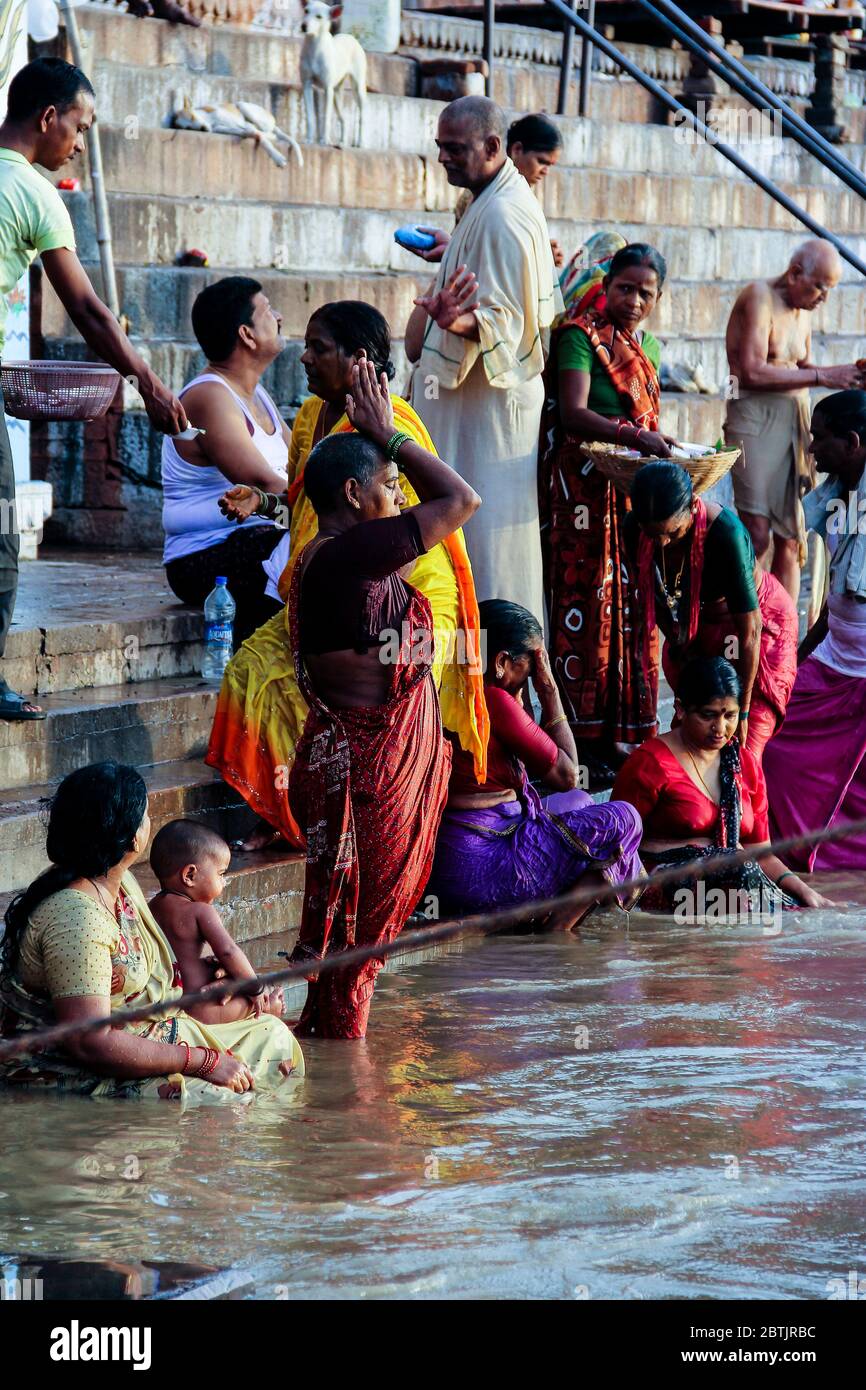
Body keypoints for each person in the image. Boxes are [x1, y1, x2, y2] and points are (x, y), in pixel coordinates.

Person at [206, 301, 488, 851]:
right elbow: (313, 503)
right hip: (334, 583)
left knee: (340, 695)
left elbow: (445, 504)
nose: (305, 357)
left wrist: (383, 435)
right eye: (306, 344)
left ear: (359, 359)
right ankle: (287, 810)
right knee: (249, 671)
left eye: (320, 348)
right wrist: (264, 500)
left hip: (406, 590)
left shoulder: (395, 422)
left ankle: (373, 822)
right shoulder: (311, 416)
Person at [286, 358, 480, 1039]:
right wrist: (389, 435)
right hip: (368, 773)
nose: (400, 499)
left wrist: (388, 445)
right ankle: (352, 1113)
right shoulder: (346, 554)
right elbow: (461, 500)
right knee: (358, 951)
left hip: (359, 763)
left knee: (350, 950)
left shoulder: (337, 557)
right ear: (352, 492)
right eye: (390, 486)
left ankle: (331, 1089)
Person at [0, 57, 187, 721]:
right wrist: (150, 385)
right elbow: (89, 311)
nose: (78, 144)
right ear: (48, 119)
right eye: (77, 127)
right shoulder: (32, 192)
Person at [0, 762, 303, 1100]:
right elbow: (90, 1043)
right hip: (68, 1073)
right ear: (130, 836)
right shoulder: (76, 917)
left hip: (149, 1034)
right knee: (227, 1097)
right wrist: (201, 1060)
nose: (149, 822)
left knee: (272, 1036)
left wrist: (206, 974)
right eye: (144, 816)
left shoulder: (120, 883)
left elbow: (151, 971)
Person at [407, 95, 560, 624]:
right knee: (467, 532)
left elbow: (509, 321)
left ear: (494, 147)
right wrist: (453, 249)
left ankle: (495, 661)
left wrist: (457, 322)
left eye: (455, 149)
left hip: (489, 414)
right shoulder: (490, 201)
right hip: (476, 408)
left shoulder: (502, 214)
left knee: (486, 544)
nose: (445, 158)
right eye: (440, 148)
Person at [539, 243, 675, 785]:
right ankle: (581, 735)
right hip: (583, 492)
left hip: (632, 492)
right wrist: (634, 435)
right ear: (606, 283)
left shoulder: (651, 349)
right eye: (625, 288)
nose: (634, 300)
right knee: (586, 601)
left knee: (634, 605)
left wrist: (648, 447)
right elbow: (572, 413)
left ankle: (625, 733)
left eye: (646, 292)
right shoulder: (578, 334)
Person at [429, 600, 644, 926]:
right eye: (533, 660)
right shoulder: (492, 700)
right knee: (625, 819)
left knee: (581, 802)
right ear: (502, 661)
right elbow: (568, 773)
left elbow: (572, 789)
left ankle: (557, 915)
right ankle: (558, 930)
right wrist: (549, 690)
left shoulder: (449, 687)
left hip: (454, 862)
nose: (536, 670)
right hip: (483, 868)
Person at [612, 657, 830, 913]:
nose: (720, 728)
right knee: (737, 873)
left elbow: (760, 854)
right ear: (681, 710)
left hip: (737, 881)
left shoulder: (743, 764)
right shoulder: (649, 762)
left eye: (730, 716)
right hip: (662, 885)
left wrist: (806, 892)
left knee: (795, 911)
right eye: (708, 715)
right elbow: (617, 843)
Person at [626, 461, 798, 761]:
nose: (661, 544)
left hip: (757, 624)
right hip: (699, 621)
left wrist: (740, 713)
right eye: (652, 535)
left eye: (672, 533)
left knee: (742, 752)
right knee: (690, 741)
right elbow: (656, 597)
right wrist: (683, 646)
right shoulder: (634, 529)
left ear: (693, 506)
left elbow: (750, 633)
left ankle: (748, 803)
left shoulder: (725, 534)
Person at [724, 238, 864, 605]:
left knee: (791, 535)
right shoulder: (758, 296)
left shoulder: (803, 309)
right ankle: (744, 618)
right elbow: (750, 370)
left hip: (793, 420)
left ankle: (783, 634)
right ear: (795, 273)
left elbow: (802, 366)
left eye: (830, 289)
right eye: (820, 286)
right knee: (756, 534)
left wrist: (847, 374)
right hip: (752, 418)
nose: (823, 298)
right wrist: (822, 376)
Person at [764, 391, 866, 871]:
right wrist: (793, 661)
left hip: (860, 673)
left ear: (853, 442)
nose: (811, 450)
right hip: (832, 658)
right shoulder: (837, 494)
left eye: (820, 439)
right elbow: (835, 602)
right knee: (771, 738)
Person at [161, 276, 292, 644]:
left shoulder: (259, 396)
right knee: (319, 548)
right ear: (247, 335)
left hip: (255, 540)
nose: (278, 316)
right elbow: (266, 486)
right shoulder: (209, 397)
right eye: (268, 310)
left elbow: (298, 472)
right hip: (203, 560)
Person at [149, 820, 285, 1024]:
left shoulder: (153, 907)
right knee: (257, 1001)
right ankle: (269, 1008)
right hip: (202, 1009)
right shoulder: (201, 911)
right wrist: (256, 988)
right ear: (190, 875)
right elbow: (229, 951)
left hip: (170, 1003)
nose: (223, 882)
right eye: (221, 874)